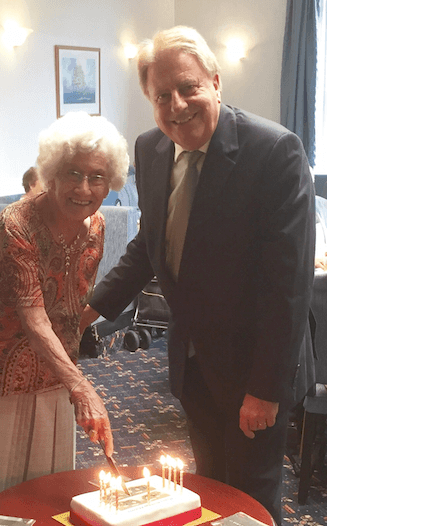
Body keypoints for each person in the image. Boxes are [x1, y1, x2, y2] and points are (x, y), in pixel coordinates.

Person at [81, 27, 316, 524]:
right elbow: (150, 245)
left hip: (255, 373)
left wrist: (266, 389)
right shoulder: (151, 148)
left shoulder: (274, 152)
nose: (178, 104)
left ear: (215, 82)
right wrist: (88, 310)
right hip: (192, 367)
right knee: (210, 493)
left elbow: (287, 289)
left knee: (252, 503)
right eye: (162, 95)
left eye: (189, 87)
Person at [0, 112, 130, 525]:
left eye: (97, 176)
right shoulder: (17, 225)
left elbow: (70, 306)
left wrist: (70, 371)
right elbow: (34, 317)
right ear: (51, 174)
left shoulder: (95, 226)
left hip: (54, 375)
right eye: (72, 173)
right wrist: (81, 387)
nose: (84, 188)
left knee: (49, 487)